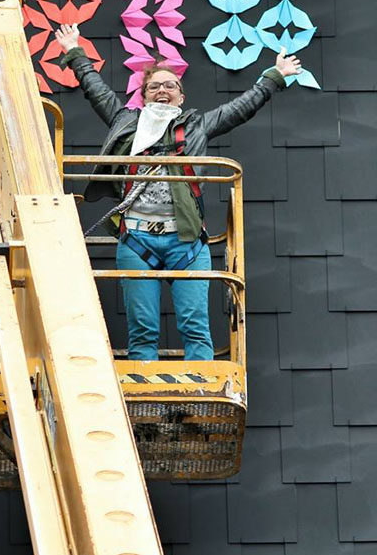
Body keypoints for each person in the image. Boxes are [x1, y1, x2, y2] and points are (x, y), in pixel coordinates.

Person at [54, 23, 302, 361]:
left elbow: (241, 108)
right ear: (143, 96)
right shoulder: (126, 122)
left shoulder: (198, 125)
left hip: (186, 242)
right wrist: (74, 50)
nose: (162, 91)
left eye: (170, 85)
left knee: (195, 327)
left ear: (181, 96)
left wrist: (275, 75)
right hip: (137, 241)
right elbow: (96, 90)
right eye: (154, 86)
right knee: (142, 331)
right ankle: (146, 395)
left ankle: (198, 396)